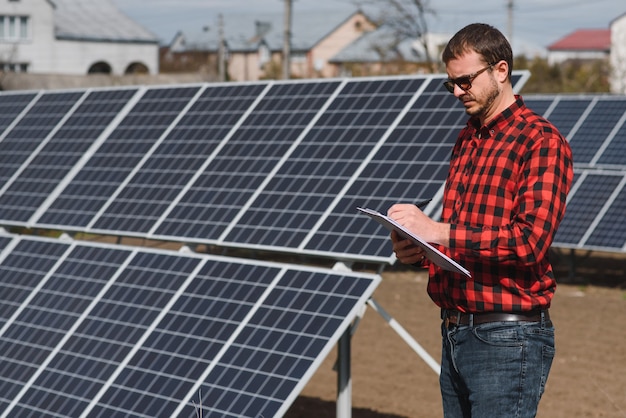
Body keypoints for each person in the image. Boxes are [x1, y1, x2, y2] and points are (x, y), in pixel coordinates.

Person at [388, 23, 574, 418]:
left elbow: (528, 243)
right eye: (451, 83)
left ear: (500, 70)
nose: (457, 92)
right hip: (455, 331)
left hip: (507, 338)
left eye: (466, 81)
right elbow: (465, 239)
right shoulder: (467, 140)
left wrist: (435, 230)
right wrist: (420, 250)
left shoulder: (541, 140)